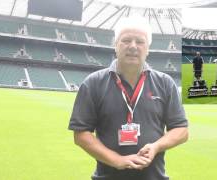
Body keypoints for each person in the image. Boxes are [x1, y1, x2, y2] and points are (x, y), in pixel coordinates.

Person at [68, 16, 188, 180]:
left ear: (148, 48)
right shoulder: (93, 83)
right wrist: (116, 160)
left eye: (140, 41)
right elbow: (81, 134)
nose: (133, 46)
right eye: (126, 40)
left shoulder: (165, 83)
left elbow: (181, 130)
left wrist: (156, 146)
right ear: (116, 45)